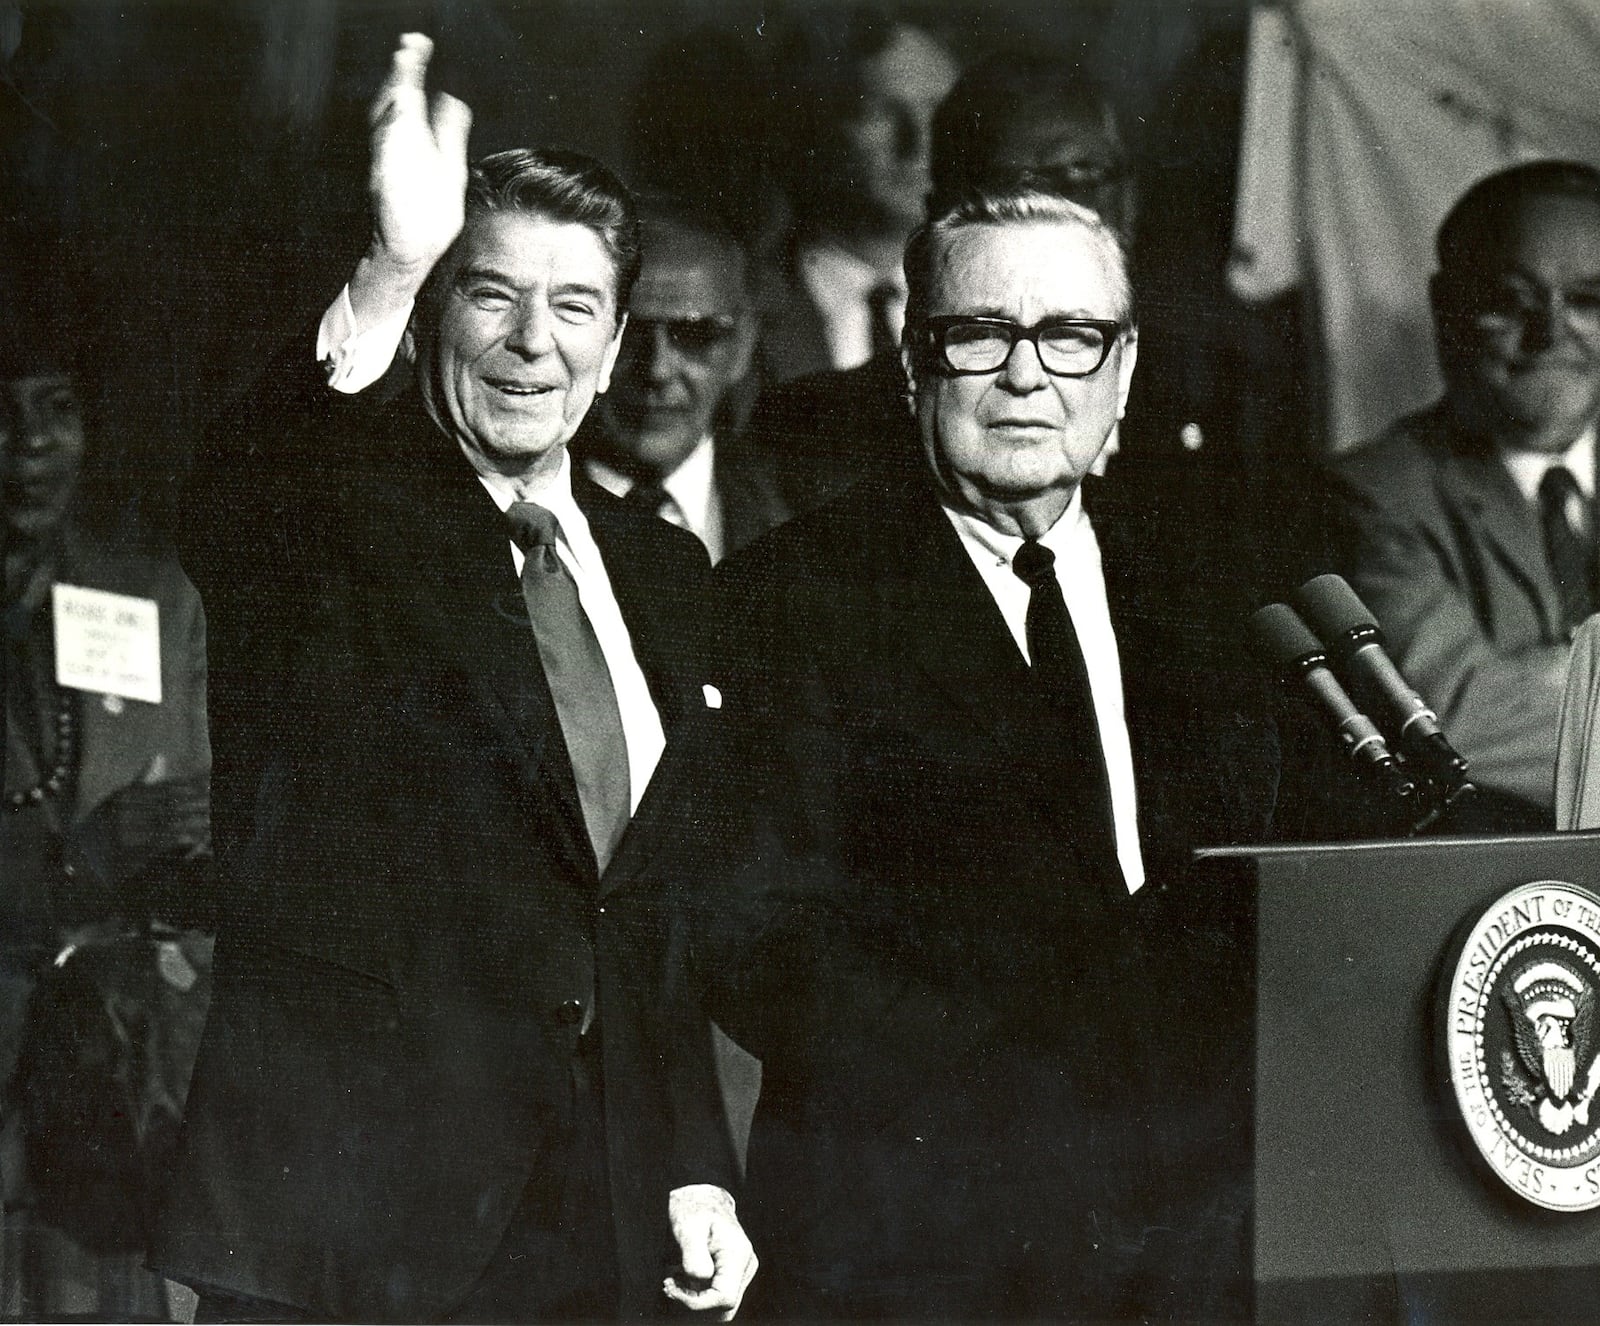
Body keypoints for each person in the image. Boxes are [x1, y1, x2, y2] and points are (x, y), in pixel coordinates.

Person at [151, 35, 755, 1321]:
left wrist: (697, 1172)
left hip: (599, 1231)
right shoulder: (338, 522)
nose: (532, 343)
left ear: (612, 344)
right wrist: (393, 263)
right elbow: (236, 502)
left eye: (576, 306)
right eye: (491, 296)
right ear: (436, 316)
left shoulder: (664, 574)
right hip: (354, 1234)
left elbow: (649, 918)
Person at [679, 186, 1277, 1321]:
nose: (1025, 375)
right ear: (914, 367)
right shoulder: (788, 597)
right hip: (917, 1238)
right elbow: (760, 939)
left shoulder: (1214, 591)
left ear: (1125, 371)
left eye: (1069, 336)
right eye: (978, 335)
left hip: (1188, 1239)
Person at [1, 287, 212, 1321]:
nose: (29, 447)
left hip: (115, 1107)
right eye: (0, 413)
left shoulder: (150, 599)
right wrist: (76, 865)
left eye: (56, 411)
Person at [1330, 160, 1600, 824]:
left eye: (1590, 301)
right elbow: (1454, 725)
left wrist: (1548, 677)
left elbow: (1526, 726)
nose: (1550, 335)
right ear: (1446, 309)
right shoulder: (1373, 492)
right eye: (1510, 300)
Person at [573, 197, 792, 564]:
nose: (657, 369)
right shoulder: (513, 509)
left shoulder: (794, 509)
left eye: (695, 335)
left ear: (742, 346)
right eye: (626, 335)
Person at [759, 7, 958, 384]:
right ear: (813, 127)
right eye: (880, 111)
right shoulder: (748, 305)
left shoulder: (988, 299)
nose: (919, 141)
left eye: (939, 111)